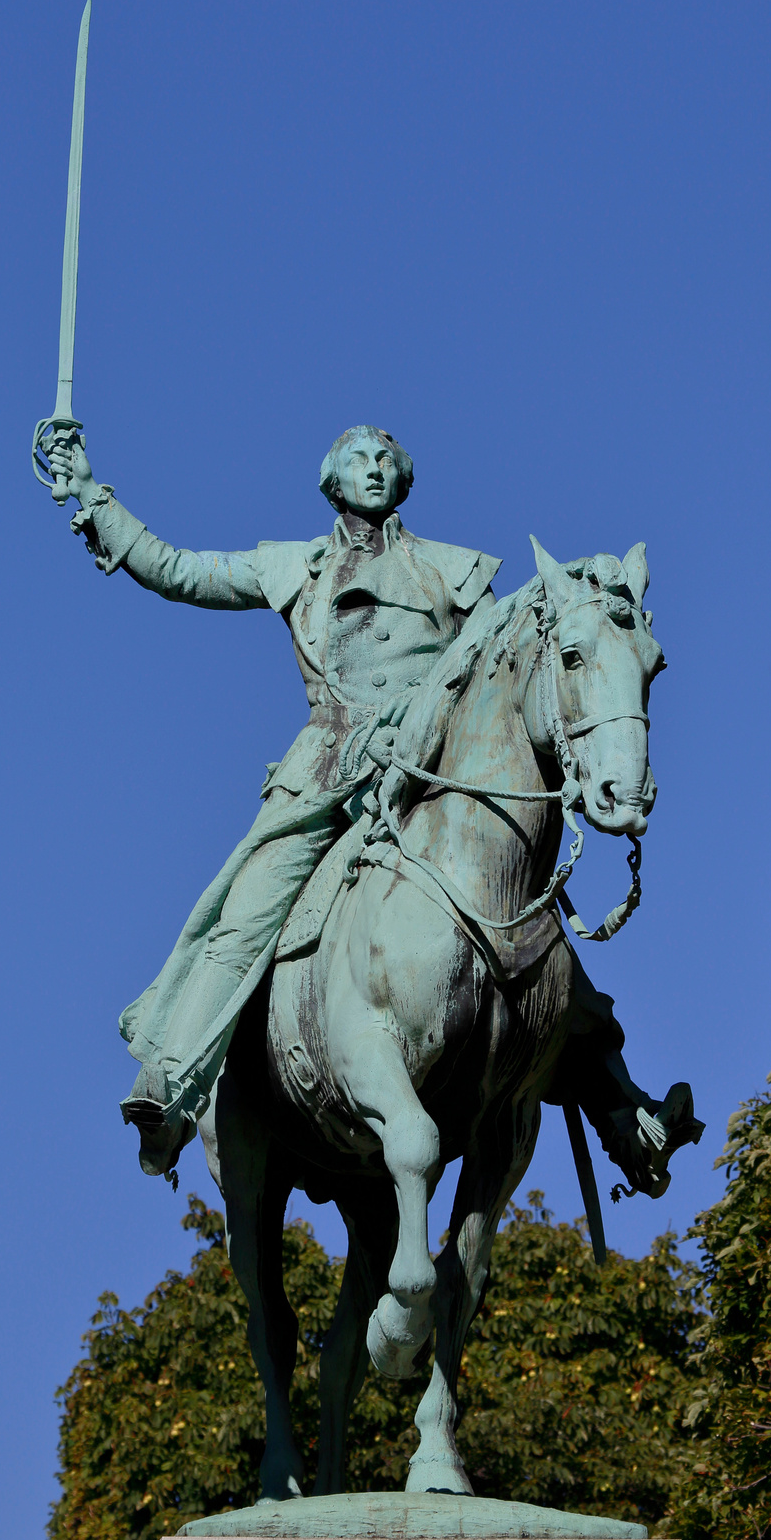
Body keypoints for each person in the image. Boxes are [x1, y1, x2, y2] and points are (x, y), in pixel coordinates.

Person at [40, 425, 500, 1179]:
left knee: (515, 883)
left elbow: (504, 657)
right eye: (359, 458)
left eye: (387, 459)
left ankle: (617, 1095)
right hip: (328, 766)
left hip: (430, 762)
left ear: (404, 479)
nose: (375, 468)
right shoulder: (293, 568)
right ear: (332, 481)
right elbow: (176, 568)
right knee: (244, 917)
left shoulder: (453, 572)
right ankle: (173, 1083)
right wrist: (94, 496)